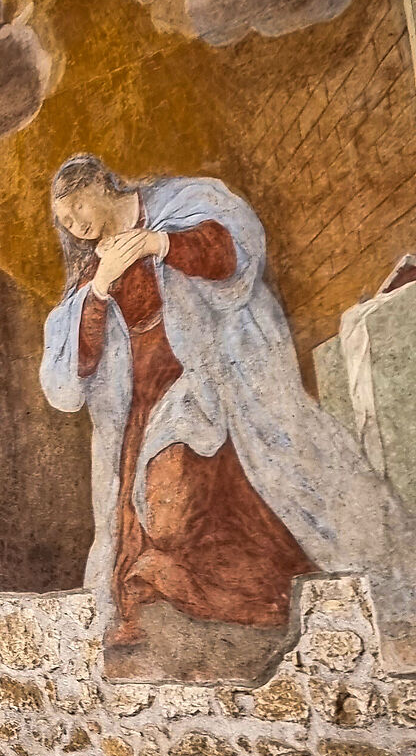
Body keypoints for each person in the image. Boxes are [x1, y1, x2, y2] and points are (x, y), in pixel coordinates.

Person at [40, 155, 416, 645]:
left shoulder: (182, 202)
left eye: (79, 208)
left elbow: (235, 256)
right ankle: (208, 600)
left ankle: (311, 591)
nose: (78, 225)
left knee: (240, 490)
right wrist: (102, 287)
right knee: (150, 518)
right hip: (140, 401)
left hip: (214, 377)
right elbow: (74, 368)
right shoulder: (92, 269)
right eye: (67, 223)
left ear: (98, 184)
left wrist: (160, 243)